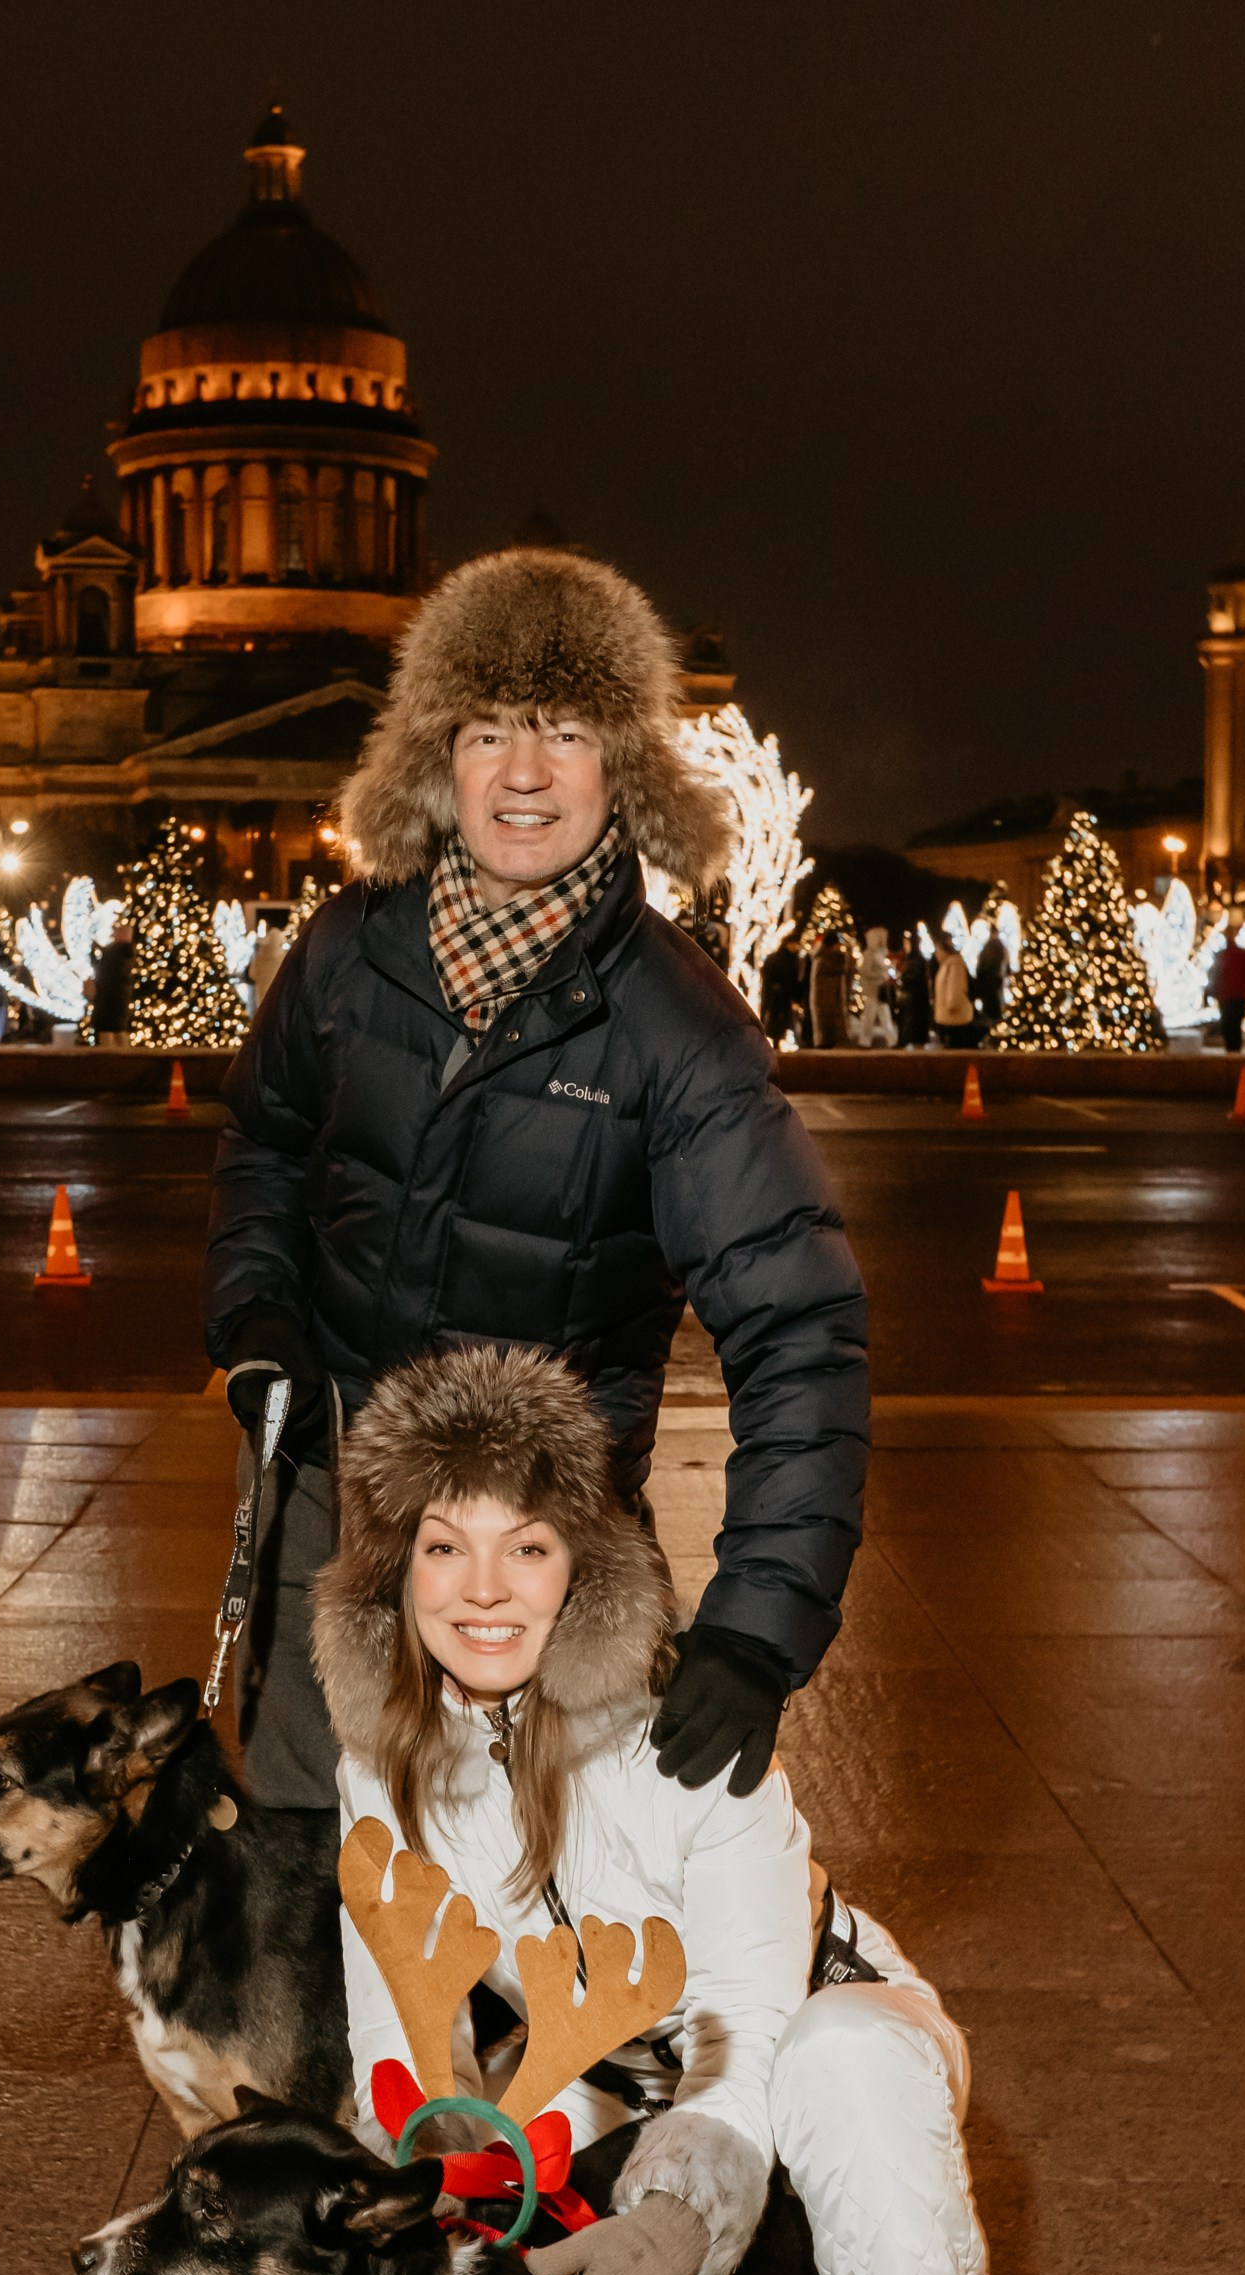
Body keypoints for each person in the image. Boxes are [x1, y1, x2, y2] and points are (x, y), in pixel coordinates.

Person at [314, 1347, 1008, 2275]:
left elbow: (748, 2013)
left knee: (841, 2067)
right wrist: (442, 2178)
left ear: (587, 1562)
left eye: (528, 1543)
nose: (486, 1589)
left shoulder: (686, 1725)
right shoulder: (376, 1752)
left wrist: (666, 2223)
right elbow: (402, 2022)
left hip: (798, 2036)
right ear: (395, 1571)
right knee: (467, 2156)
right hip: (589, 2074)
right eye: (443, 1547)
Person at [204, 546, 868, 1814]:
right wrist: (256, 1312)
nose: (521, 775)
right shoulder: (344, 952)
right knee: (306, 1860)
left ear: (623, 769)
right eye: (487, 731)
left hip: (539, 1551)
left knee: (535, 1929)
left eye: (564, 733)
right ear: (431, 757)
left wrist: (753, 1625)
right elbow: (265, 1144)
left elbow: (801, 1334)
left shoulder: (676, 1028)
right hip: (328, 1504)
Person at [1208, 928, 1245, 1054]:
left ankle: (1230, 1046)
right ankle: (1236, 1046)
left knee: (1227, 1021)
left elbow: (1215, 974)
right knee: (1237, 1020)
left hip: (1225, 994)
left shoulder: (1221, 955)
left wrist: (1211, 991)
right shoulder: (1244, 955)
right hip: (1240, 994)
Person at [90, 914, 133, 1042]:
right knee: (115, 1031)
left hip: (110, 1000)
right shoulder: (119, 953)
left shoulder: (119, 953)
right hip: (112, 1000)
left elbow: (107, 971)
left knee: (109, 1033)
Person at [806, 929, 852, 1047]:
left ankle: (826, 1043)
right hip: (826, 998)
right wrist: (848, 955)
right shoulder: (826, 959)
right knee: (826, 1025)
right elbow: (842, 970)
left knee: (825, 1025)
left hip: (826, 997)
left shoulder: (821, 957)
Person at [853, 925, 896, 1047]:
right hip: (873, 989)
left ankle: (891, 1039)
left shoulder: (884, 953)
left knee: (884, 1014)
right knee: (870, 1016)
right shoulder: (869, 954)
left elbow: (889, 967)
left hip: (882, 989)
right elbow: (864, 971)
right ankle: (865, 1040)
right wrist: (880, 976)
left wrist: (890, 970)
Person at [758, 935, 802, 1046]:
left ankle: (777, 1041)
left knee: (780, 1021)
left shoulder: (790, 959)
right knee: (777, 1020)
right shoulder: (781, 959)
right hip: (778, 996)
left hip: (781, 996)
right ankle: (775, 1042)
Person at [897, 928, 934, 1049]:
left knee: (912, 1020)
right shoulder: (912, 958)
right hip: (915, 996)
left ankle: (911, 1040)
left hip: (915, 996)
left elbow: (913, 976)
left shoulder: (917, 959)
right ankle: (911, 1039)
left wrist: (903, 976)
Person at [931, 938, 973, 1046]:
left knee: (955, 1050)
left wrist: (951, 1006)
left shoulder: (954, 965)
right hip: (949, 1016)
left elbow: (955, 989)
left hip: (954, 1018)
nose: (936, 954)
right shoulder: (947, 964)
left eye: (937, 950)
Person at [970, 931, 1007, 1043]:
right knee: (995, 1012)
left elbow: (979, 970)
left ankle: (988, 1037)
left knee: (988, 1012)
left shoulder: (986, 951)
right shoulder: (1000, 950)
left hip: (986, 987)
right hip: (994, 986)